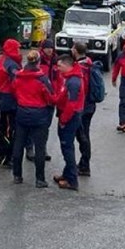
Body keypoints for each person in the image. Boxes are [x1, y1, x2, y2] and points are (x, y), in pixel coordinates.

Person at [11, 50, 55, 188]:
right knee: (40, 147)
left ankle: (17, 175)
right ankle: (39, 179)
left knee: (19, 143)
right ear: (38, 62)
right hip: (39, 114)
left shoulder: (18, 77)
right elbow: (50, 97)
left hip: (22, 112)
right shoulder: (42, 79)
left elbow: (14, 91)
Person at [52, 55, 85, 191]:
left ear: (67, 65)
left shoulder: (73, 82)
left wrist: (64, 120)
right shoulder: (70, 78)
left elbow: (71, 104)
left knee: (67, 148)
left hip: (70, 117)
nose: (58, 68)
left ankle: (72, 180)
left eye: (60, 66)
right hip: (71, 114)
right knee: (67, 146)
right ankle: (67, 174)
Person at [72, 42, 104, 177]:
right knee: (84, 134)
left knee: (82, 136)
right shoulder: (89, 63)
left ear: (76, 51)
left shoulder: (81, 67)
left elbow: (80, 89)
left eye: (73, 48)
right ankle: (84, 163)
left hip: (83, 107)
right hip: (90, 105)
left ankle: (85, 165)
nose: (71, 50)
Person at [0, 38, 22, 166]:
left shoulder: (1, 61)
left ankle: (0, 155)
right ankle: (6, 157)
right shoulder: (12, 64)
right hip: (10, 99)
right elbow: (17, 82)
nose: (19, 51)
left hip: (3, 97)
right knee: (10, 129)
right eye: (18, 48)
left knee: (3, 127)